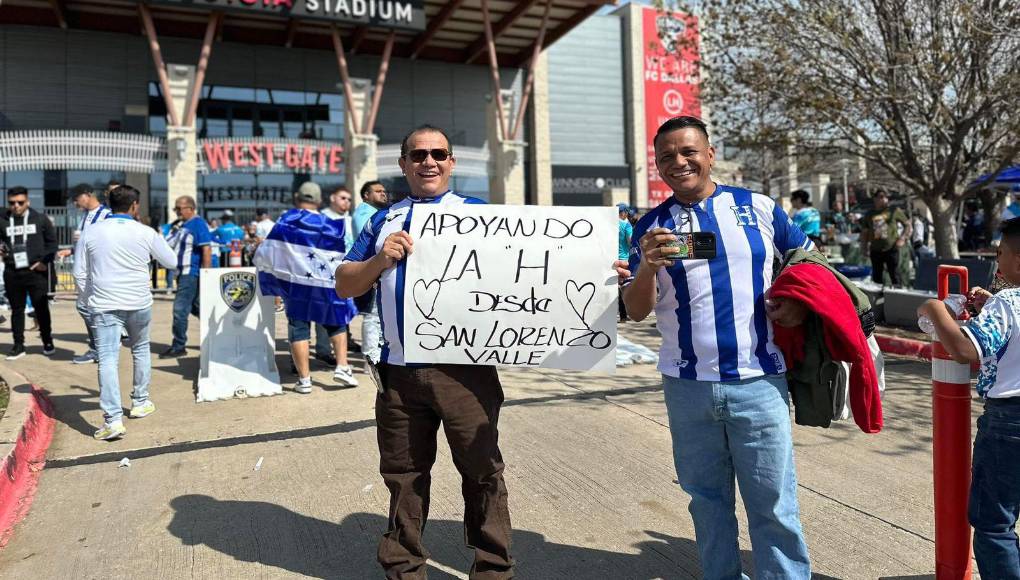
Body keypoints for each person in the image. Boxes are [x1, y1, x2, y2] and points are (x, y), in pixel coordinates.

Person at [615, 116, 812, 578]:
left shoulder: (759, 209)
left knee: (775, 505)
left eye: (688, 151)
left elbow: (809, 265)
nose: (678, 162)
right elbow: (636, 310)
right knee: (707, 504)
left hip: (760, 382)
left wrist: (798, 308)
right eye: (666, 157)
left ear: (710, 153)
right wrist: (646, 268)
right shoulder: (651, 226)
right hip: (687, 388)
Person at [337, 124, 514, 579]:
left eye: (438, 154)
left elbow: (528, 272)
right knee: (403, 476)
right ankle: (404, 568)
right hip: (399, 375)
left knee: (482, 472)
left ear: (451, 163)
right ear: (403, 165)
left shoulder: (482, 215)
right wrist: (380, 261)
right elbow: (344, 283)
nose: (428, 162)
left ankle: (493, 569)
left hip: (465, 373)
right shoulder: (383, 220)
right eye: (418, 155)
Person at [916, 217, 1020, 579]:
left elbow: (963, 349)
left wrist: (933, 309)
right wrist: (991, 306)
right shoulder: (1004, 304)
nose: (997, 259)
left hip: (1010, 422)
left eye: (1001, 252)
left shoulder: (1008, 304)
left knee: (993, 524)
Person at [73, 186, 178, 441]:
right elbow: (172, 262)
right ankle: (140, 402)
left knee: (107, 359)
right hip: (138, 303)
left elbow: (79, 274)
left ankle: (113, 420)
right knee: (140, 349)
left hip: (104, 305)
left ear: (109, 205)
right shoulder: (144, 232)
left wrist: (90, 299)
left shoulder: (91, 232)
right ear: (134, 206)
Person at [257, 181, 358, 392]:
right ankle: (342, 367)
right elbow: (340, 254)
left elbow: (268, 252)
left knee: (298, 329)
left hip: (297, 286)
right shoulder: (328, 224)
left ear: (297, 198)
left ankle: (304, 381)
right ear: (320, 201)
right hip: (325, 284)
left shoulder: (286, 221)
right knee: (336, 323)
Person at [1, 187, 58, 360]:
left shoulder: (40, 219)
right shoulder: (3, 220)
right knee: (16, 310)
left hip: (35, 272)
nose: (16, 206)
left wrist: (44, 262)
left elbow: (52, 244)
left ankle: (47, 340)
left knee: (41, 308)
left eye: (20, 202)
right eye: (12, 203)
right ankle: (18, 345)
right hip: (12, 271)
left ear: (28, 202)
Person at [59, 183, 112, 364]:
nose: (75, 204)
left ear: (87, 195)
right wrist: (71, 251)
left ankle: (101, 348)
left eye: (76, 199)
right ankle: (100, 347)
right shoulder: (84, 217)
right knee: (87, 308)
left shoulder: (106, 215)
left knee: (88, 308)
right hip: (84, 272)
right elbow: (84, 244)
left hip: (97, 272)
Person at [161, 195, 212, 358]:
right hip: (183, 273)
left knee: (180, 310)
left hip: (190, 273)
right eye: (175, 209)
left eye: (179, 209)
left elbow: (206, 249)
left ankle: (179, 345)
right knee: (197, 307)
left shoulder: (198, 224)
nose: (176, 212)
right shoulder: (184, 225)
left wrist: (206, 274)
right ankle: (221, 334)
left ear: (190, 208)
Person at [351, 180, 389, 366]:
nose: (383, 193)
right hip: (370, 269)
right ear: (366, 195)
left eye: (384, 191)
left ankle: (377, 353)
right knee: (373, 315)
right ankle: (371, 357)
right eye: (378, 191)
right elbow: (373, 243)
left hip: (376, 268)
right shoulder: (365, 213)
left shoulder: (376, 212)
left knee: (379, 314)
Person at [861, 189, 911, 286]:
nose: (884, 199)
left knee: (894, 274)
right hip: (875, 249)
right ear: (875, 199)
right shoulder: (869, 214)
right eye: (881, 197)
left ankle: (898, 296)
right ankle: (878, 299)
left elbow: (907, 225)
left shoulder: (893, 211)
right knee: (877, 276)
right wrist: (864, 247)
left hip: (891, 248)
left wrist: (902, 238)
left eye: (886, 197)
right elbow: (865, 232)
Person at [617, 202, 633, 322]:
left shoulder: (610, 224)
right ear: (624, 213)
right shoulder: (626, 225)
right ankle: (624, 316)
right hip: (624, 259)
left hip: (612, 259)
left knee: (614, 288)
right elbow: (630, 241)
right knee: (625, 286)